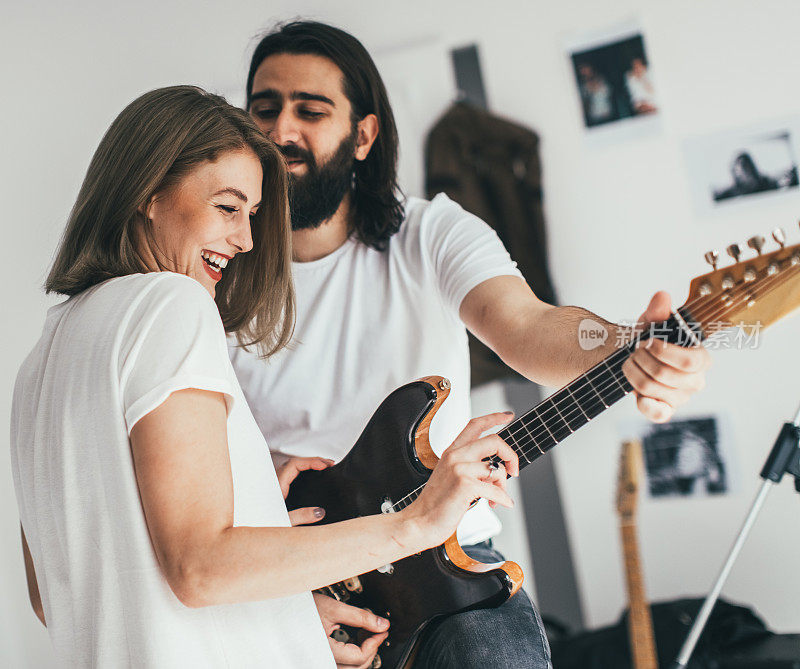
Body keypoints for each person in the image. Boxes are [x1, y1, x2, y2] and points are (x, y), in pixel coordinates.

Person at [230, 21, 711, 669]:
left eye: (310, 111)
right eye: (264, 109)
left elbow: (529, 325)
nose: (281, 130)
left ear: (363, 136)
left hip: (448, 573)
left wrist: (624, 345)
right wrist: (280, 599)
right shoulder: (216, 273)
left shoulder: (429, 233)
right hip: (291, 582)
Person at [10, 85, 521, 668]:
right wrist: (417, 524)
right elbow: (201, 568)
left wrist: (283, 605)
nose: (246, 240)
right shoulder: (170, 305)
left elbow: (53, 595)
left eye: (251, 216)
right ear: (148, 192)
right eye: (227, 208)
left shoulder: (41, 364)